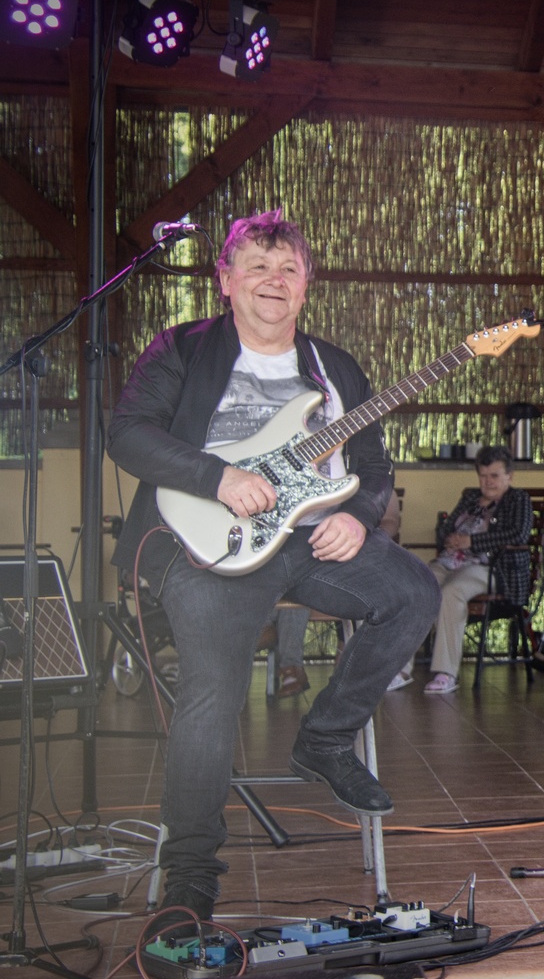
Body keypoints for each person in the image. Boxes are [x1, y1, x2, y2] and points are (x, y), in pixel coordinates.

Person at [107, 210, 439, 920]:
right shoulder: (183, 349)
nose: (273, 279)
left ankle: (325, 738)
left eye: (289, 268)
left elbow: (374, 464)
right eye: (256, 265)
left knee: (413, 591)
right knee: (212, 692)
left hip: (312, 540)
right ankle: (190, 876)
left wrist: (358, 515)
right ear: (225, 280)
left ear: (307, 285)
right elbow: (128, 434)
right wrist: (218, 478)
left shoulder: (334, 367)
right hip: (210, 540)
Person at [393, 446, 532, 694]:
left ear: (509, 476)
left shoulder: (518, 499)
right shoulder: (470, 497)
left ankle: (446, 674)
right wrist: (449, 538)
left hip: (491, 568)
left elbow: (518, 534)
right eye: (483, 476)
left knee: (451, 591)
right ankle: (400, 669)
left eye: (494, 476)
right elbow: (445, 527)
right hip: (450, 562)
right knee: (419, 587)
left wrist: (472, 542)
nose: (488, 482)